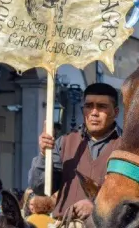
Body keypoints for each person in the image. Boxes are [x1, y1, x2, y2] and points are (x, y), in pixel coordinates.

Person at [28, 83, 122, 222]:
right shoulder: (64, 143)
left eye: (102, 107)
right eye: (89, 106)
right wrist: (43, 155)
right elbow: (40, 188)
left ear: (116, 112)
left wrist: (97, 207)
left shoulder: (127, 147)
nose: (94, 113)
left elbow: (133, 197)